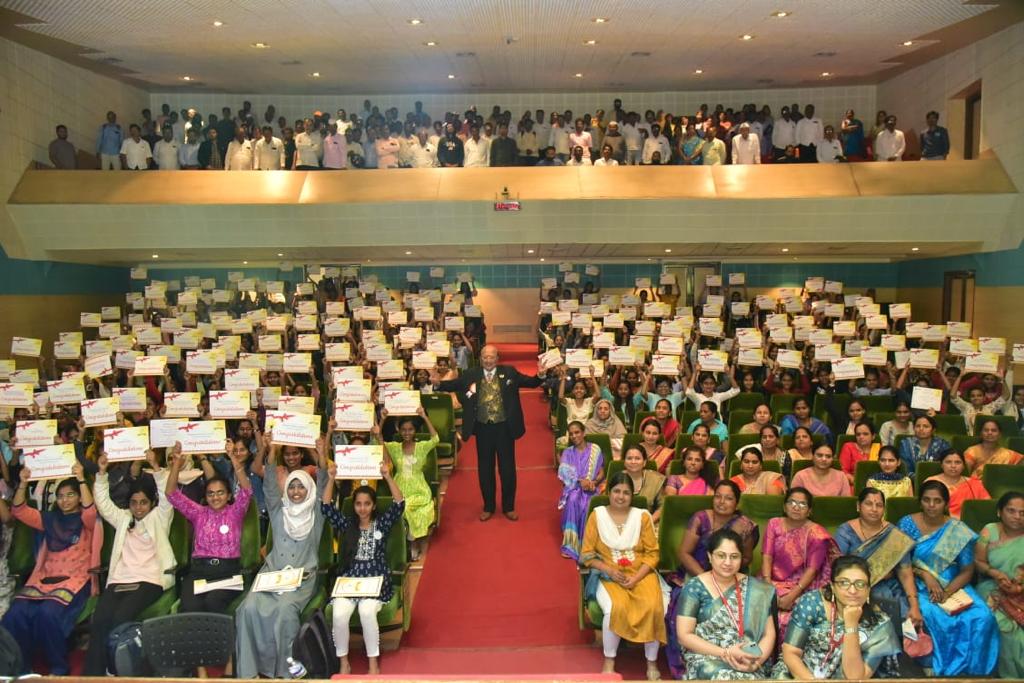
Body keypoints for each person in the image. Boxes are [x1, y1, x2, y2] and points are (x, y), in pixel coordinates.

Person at [235, 448, 329, 678]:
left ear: (309, 489)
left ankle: (288, 672)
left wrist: (320, 452)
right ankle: (250, 671)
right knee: (247, 609)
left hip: (301, 580)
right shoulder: (279, 511)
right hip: (272, 575)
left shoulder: (316, 514)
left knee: (285, 612)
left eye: (301, 487)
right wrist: (272, 452)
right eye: (292, 487)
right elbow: (269, 486)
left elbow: (324, 482)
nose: (296, 492)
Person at [1, 462, 101, 675]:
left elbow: (90, 510)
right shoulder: (49, 519)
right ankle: (20, 667)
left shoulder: (87, 522)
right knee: (15, 614)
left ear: (79, 497)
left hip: (75, 580)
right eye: (61, 496)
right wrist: (23, 483)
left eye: (70, 495)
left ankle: (59, 667)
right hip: (43, 579)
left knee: (47, 614)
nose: (65, 500)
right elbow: (18, 510)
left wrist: (81, 478)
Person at [84, 449, 175, 675]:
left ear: (151, 503)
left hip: (150, 580)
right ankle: (93, 675)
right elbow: (103, 503)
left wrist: (156, 468)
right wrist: (101, 473)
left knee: (120, 618)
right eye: (134, 503)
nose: (138, 507)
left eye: (143, 502)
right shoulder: (123, 518)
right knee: (100, 619)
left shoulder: (159, 517)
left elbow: (167, 497)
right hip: (120, 580)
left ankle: (116, 670)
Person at [896, 480, 999, 675]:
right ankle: (942, 671)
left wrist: (947, 592)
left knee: (983, 616)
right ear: (920, 501)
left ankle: (976, 673)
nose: (931, 505)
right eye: (926, 500)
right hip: (918, 583)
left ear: (946, 504)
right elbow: (901, 564)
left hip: (954, 584)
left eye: (937, 501)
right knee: (932, 614)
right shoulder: (907, 524)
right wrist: (925, 575)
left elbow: (967, 570)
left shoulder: (957, 529)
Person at [434, 345, 547, 521]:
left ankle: (509, 507)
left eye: (491, 357)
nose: (488, 360)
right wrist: (438, 383)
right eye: (485, 357)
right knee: (485, 470)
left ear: (497, 358)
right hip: (483, 428)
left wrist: (540, 374)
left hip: (505, 428)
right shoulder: (471, 374)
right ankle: (488, 506)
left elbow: (531, 383)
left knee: (507, 469)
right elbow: (455, 384)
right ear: (480, 358)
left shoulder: (509, 372)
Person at [321, 459, 404, 675]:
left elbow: (399, 504)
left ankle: (373, 663)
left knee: (367, 611)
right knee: (339, 613)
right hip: (350, 581)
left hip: (375, 580)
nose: (362, 508)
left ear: (374, 506)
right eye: (358, 504)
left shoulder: (382, 524)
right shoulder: (348, 525)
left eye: (367, 504)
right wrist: (331, 479)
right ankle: (343, 662)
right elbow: (326, 508)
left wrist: (387, 476)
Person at [580, 471, 666, 679]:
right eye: (616, 491)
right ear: (609, 492)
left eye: (626, 493)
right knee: (614, 609)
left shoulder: (642, 516)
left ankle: (651, 662)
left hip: (641, 573)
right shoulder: (597, 516)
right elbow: (586, 555)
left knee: (654, 606)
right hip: (609, 575)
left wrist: (636, 578)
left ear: (632, 495)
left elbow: (653, 554)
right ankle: (609, 660)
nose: (621, 496)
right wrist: (609, 570)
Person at [774, 555, 901, 679]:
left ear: (868, 589)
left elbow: (855, 677)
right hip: (799, 676)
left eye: (860, 584)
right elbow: (791, 653)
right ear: (833, 587)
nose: (852, 591)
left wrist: (851, 625)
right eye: (844, 583)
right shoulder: (812, 603)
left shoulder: (880, 625)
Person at [676, 528, 776, 679]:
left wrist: (756, 663)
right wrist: (726, 653)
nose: (728, 562)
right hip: (708, 657)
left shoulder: (757, 589)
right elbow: (684, 635)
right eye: (721, 555)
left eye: (734, 556)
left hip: (748, 657)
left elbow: (769, 634)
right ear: (710, 556)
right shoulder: (695, 587)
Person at [166, 441, 253, 613]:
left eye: (220, 492)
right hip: (200, 571)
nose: (215, 497)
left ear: (228, 495)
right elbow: (171, 494)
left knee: (213, 602)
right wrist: (176, 462)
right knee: (190, 607)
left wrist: (233, 458)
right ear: (205, 496)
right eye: (210, 493)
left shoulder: (235, 512)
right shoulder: (198, 513)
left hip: (228, 572)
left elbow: (246, 491)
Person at [762, 487, 839, 636]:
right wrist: (767, 586)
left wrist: (791, 596)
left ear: (809, 511)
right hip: (770, 581)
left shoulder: (817, 534)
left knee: (787, 619)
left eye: (802, 504)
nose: (796, 507)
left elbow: (812, 570)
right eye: (792, 502)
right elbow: (767, 555)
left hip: (802, 587)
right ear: (784, 507)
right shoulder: (774, 524)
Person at [834, 489, 916, 627]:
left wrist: (914, 604)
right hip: (853, 588)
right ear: (858, 506)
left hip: (889, 587)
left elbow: (905, 572)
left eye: (879, 505)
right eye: (868, 504)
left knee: (905, 615)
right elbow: (837, 568)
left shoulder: (893, 534)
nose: (874, 509)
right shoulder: (845, 531)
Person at [975, 491, 1024, 679]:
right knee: (1005, 628)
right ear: (999, 512)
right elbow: (979, 562)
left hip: (1020, 591)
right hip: (991, 587)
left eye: (1022, 513)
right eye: (1011, 511)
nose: (1017, 516)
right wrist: (995, 573)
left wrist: (1019, 587)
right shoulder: (989, 531)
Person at [382, 407, 438, 560]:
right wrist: (383, 419)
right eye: (404, 430)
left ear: (415, 431)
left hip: (419, 489)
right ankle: (409, 542)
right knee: (402, 507)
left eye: (410, 429)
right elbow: (377, 440)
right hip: (400, 489)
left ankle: (412, 542)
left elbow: (435, 439)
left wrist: (424, 416)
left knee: (412, 509)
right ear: (399, 430)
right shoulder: (394, 447)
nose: (407, 433)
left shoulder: (421, 447)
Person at [558, 421, 605, 560]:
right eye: (571, 434)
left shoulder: (595, 449)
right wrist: (580, 481)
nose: (574, 436)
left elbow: (601, 471)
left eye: (577, 432)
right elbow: (564, 474)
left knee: (590, 502)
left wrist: (593, 482)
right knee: (573, 499)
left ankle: (587, 545)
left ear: (584, 433)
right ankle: (571, 544)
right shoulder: (567, 452)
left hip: (592, 487)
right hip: (574, 487)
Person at [926, 450, 990, 518]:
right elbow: (928, 508)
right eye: (948, 462)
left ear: (963, 466)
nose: (953, 466)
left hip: (970, 521)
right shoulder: (931, 482)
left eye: (957, 462)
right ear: (941, 465)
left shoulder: (974, 484)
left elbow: (987, 506)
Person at [620, 445, 666, 523]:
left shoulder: (655, 479)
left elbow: (662, 506)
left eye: (637, 458)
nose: (633, 462)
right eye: (629, 458)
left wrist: (649, 521)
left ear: (644, 462)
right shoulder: (617, 479)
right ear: (624, 462)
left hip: (649, 522)